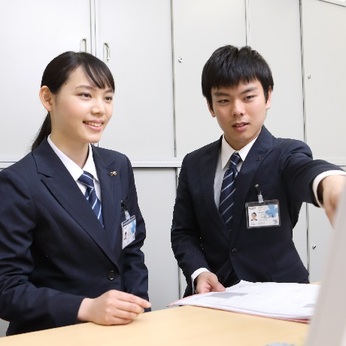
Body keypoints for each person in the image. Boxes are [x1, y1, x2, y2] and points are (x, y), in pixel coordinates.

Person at [171, 45, 346, 297]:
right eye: (223, 100)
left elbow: (305, 170)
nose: (237, 110)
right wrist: (199, 271)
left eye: (248, 97)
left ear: (268, 97)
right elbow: (183, 233)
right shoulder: (193, 163)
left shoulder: (286, 153)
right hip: (213, 297)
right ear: (210, 107)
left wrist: (329, 182)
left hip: (279, 295)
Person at [0, 51, 151, 335]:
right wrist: (87, 308)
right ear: (48, 98)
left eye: (107, 97)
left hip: (122, 331)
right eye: (85, 95)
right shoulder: (19, 182)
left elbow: (131, 250)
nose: (100, 109)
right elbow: (7, 289)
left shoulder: (118, 166)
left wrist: (137, 308)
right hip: (55, 334)